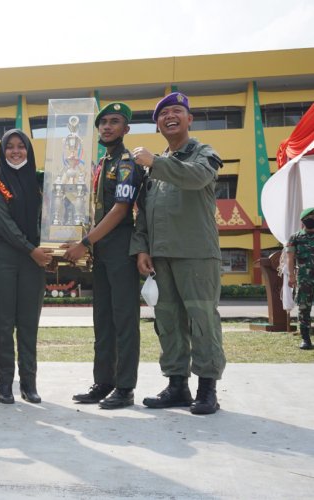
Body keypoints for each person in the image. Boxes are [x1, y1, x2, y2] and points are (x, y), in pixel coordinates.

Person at [130, 92, 226, 415]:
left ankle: (207, 388)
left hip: (196, 254)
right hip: (161, 258)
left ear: (189, 119)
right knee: (168, 321)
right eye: (163, 114)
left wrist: (156, 163)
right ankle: (177, 386)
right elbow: (142, 211)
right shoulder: (150, 166)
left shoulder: (203, 153)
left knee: (202, 320)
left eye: (176, 111)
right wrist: (142, 247)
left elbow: (197, 178)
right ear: (158, 125)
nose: (170, 116)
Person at [67, 103, 144, 409]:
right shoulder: (102, 164)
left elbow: (121, 210)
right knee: (103, 319)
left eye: (115, 122)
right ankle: (104, 382)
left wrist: (85, 242)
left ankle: (125, 387)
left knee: (124, 319)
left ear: (126, 129)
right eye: (103, 123)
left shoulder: (126, 163)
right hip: (102, 249)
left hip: (120, 246)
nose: (108, 127)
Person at [0, 129, 52, 404]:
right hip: (3, 257)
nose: (15, 151)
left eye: (20, 146)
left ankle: (29, 384)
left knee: (28, 324)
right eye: (9, 147)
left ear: (28, 150)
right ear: (2, 151)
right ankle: (5, 385)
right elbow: (5, 225)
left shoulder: (39, 181)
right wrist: (31, 249)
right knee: (2, 323)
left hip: (34, 259)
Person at [287, 207, 314, 350]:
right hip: (304, 280)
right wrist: (291, 276)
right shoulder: (295, 238)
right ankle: (305, 339)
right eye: (310, 218)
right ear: (303, 220)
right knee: (304, 309)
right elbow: (290, 259)